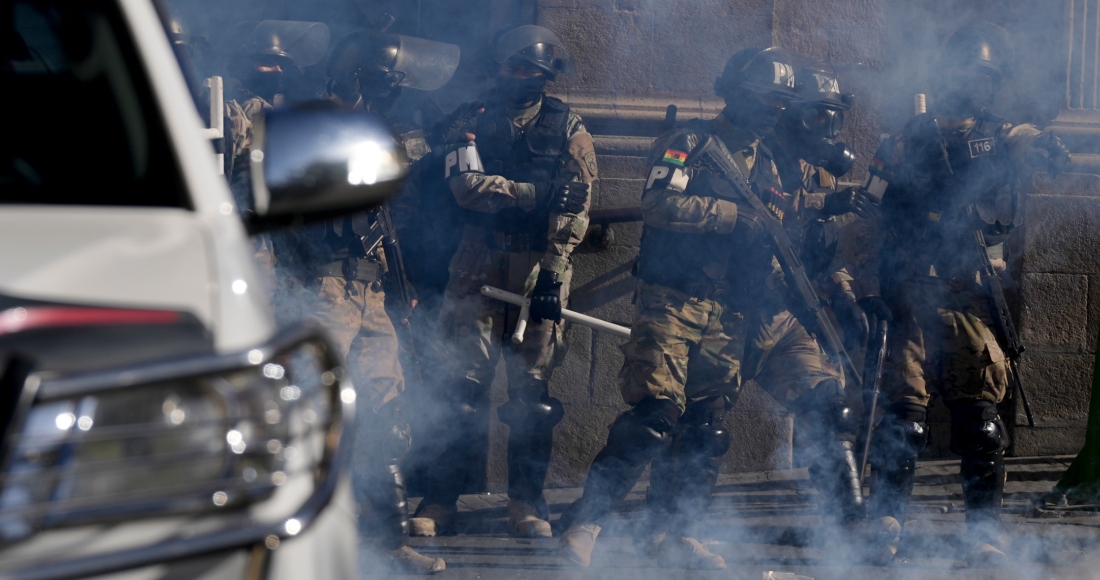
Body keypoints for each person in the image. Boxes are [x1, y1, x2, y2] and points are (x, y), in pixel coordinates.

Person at [557, 47, 802, 570]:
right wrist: (732, 215)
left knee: (706, 426)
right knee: (654, 415)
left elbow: (776, 233)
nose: (773, 111)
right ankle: (586, 523)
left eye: (781, 103)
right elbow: (659, 203)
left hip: (731, 306)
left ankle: (670, 532)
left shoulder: (776, 160)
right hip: (674, 298)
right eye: (764, 99)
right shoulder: (691, 142)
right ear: (735, 92)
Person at [865, 21, 1070, 566]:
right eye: (969, 75)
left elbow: (1023, 140)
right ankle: (886, 522)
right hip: (911, 293)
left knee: (981, 420)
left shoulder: (999, 136)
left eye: (986, 78)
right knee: (903, 419)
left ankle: (982, 532)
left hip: (967, 295)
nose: (976, 87)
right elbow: (870, 207)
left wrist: (1047, 145)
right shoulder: (907, 139)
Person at [272, 29, 461, 575]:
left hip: (368, 288)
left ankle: (388, 542)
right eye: (381, 84)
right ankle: (297, 542)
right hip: (321, 291)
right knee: (310, 417)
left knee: (385, 413)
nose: (387, 96)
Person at [409, 24, 597, 540]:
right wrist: (536, 193)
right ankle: (440, 499)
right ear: (498, 69)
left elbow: (578, 203)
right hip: (477, 263)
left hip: (540, 266)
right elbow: (468, 190)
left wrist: (555, 270)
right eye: (513, 67)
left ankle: (527, 502)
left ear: (547, 75)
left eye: (532, 70)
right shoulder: (472, 118)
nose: (521, 77)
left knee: (532, 399)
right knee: (459, 392)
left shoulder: (569, 126)